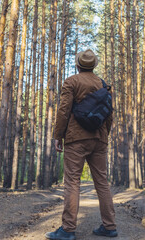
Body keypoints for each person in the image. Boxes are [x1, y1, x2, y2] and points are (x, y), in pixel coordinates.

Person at [45, 49, 117, 240]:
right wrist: (104, 136)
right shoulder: (103, 84)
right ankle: (109, 226)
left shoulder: (71, 81)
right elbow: (109, 114)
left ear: (78, 64)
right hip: (99, 138)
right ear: (94, 65)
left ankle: (68, 230)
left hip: (76, 139)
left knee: (72, 182)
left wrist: (58, 136)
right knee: (102, 182)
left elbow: (63, 111)